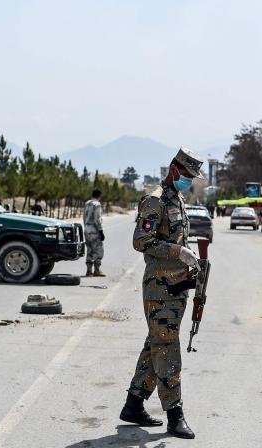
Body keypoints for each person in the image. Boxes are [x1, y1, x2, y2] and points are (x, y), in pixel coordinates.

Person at [120, 147, 205, 439]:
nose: (190, 181)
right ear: (174, 170)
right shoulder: (154, 200)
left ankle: (133, 404)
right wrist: (177, 251)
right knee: (166, 348)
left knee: (156, 344)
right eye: (187, 175)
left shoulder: (177, 199)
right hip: (160, 288)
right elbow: (141, 240)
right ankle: (175, 414)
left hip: (177, 286)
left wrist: (188, 258)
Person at [83, 189, 105, 277]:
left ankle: (88, 271)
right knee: (98, 250)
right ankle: (97, 270)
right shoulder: (97, 204)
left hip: (87, 229)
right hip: (94, 230)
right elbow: (97, 219)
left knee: (89, 250)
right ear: (99, 196)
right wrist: (101, 231)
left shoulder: (87, 203)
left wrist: (86, 227)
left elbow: (84, 217)